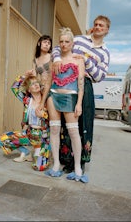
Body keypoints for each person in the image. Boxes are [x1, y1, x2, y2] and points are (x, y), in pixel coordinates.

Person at [52, 15, 111, 173]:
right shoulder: (78, 39)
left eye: (101, 26)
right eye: (96, 24)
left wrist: (85, 60)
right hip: (65, 83)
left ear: (106, 30)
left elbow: (99, 76)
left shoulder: (105, 53)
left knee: (84, 124)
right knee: (66, 124)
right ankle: (65, 159)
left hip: (85, 84)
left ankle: (80, 162)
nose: (98, 27)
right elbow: (59, 47)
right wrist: (57, 59)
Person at [37, 27, 88, 183]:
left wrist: (79, 103)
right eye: (61, 41)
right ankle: (56, 164)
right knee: (54, 129)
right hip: (53, 95)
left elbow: (81, 83)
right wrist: (42, 101)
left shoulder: (79, 59)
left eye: (67, 41)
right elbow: (49, 81)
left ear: (72, 43)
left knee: (73, 132)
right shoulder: (55, 59)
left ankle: (78, 167)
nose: (64, 44)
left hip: (70, 97)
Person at [0, 75, 50, 171]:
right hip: (28, 135)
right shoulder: (27, 100)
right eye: (32, 84)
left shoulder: (47, 99)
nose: (36, 85)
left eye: (36, 82)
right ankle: (26, 153)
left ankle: (37, 153)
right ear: (29, 89)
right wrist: (25, 75)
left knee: (38, 167)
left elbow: (55, 119)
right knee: (1, 139)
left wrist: (44, 115)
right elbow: (14, 88)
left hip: (42, 139)